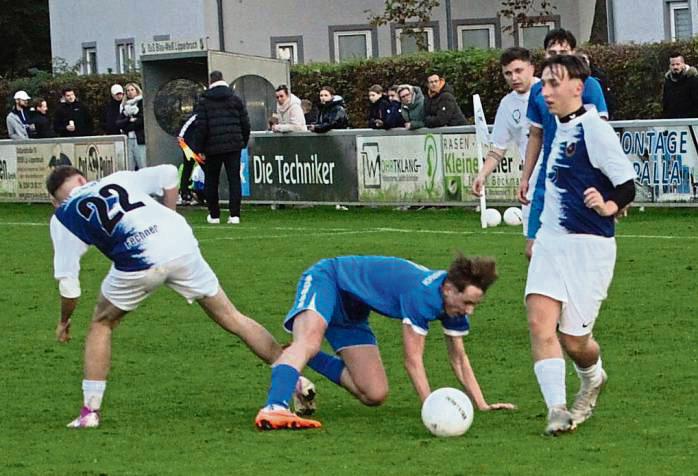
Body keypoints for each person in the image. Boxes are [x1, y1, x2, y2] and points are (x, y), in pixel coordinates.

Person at [46, 164, 315, 428]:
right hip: (179, 244)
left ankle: (89, 412)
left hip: (137, 261)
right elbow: (169, 173)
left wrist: (64, 320)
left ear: (56, 201)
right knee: (231, 316)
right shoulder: (120, 177)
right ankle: (295, 379)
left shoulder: (64, 216)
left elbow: (69, 285)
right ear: (82, 179)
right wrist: (169, 213)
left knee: (101, 324)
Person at [255, 255, 516, 430]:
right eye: (468, 303)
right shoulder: (424, 296)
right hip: (330, 280)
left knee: (374, 393)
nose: (470, 311)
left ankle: (298, 357)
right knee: (309, 341)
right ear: (449, 289)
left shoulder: (454, 306)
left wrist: (482, 404)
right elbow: (413, 361)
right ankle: (275, 407)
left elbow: (458, 358)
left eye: (475, 304)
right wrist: (432, 409)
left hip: (353, 308)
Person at [525, 54, 635, 435]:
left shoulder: (595, 129)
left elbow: (627, 185)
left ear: (578, 86)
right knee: (540, 322)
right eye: (543, 84)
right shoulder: (559, 129)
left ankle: (593, 377)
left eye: (553, 83)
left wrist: (607, 205)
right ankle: (556, 409)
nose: (545, 91)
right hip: (552, 243)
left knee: (576, 341)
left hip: (589, 248)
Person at [517, 29, 608, 259]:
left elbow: (601, 134)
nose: (557, 56)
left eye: (563, 52)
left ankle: (567, 294)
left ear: (574, 54)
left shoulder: (589, 86)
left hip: (580, 178)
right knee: (533, 249)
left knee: (576, 250)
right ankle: (551, 293)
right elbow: (535, 135)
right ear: (545, 55)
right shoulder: (538, 90)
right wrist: (526, 176)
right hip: (547, 178)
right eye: (552, 52)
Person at [472, 47, 539, 244]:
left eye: (519, 71)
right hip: (532, 183)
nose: (514, 77)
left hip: (561, 177)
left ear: (532, 69)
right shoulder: (507, 104)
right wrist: (482, 175)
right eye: (508, 73)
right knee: (532, 247)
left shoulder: (549, 93)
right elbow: (498, 148)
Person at [192, 70, 250, 225]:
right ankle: (235, 215)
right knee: (234, 180)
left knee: (211, 180)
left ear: (210, 82)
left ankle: (214, 215)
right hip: (234, 144)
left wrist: (199, 148)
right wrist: (242, 141)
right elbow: (245, 123)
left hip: (212, 147)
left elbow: (201, 126)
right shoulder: (235, 99)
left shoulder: (205, 101)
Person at [116, 83, 146, 170]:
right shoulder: (125, 105)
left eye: (132, 90)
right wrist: (128, 120)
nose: (130, 92)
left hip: (139, 139)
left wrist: (127, 126)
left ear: (136, 90)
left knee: (142, 164)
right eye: (128, 90)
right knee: (130, 166)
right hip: (128, 139)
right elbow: (118, 123)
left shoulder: (142, 103)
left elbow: (141, 121)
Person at [662, 51, 698, 119]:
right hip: (672, 123)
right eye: (673, 65)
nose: (675, 67)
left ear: (683, 64)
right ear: (669, 66)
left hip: (691, 122)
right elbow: (665, 104)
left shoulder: (693, 80)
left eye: (678, 64)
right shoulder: (668, 82)